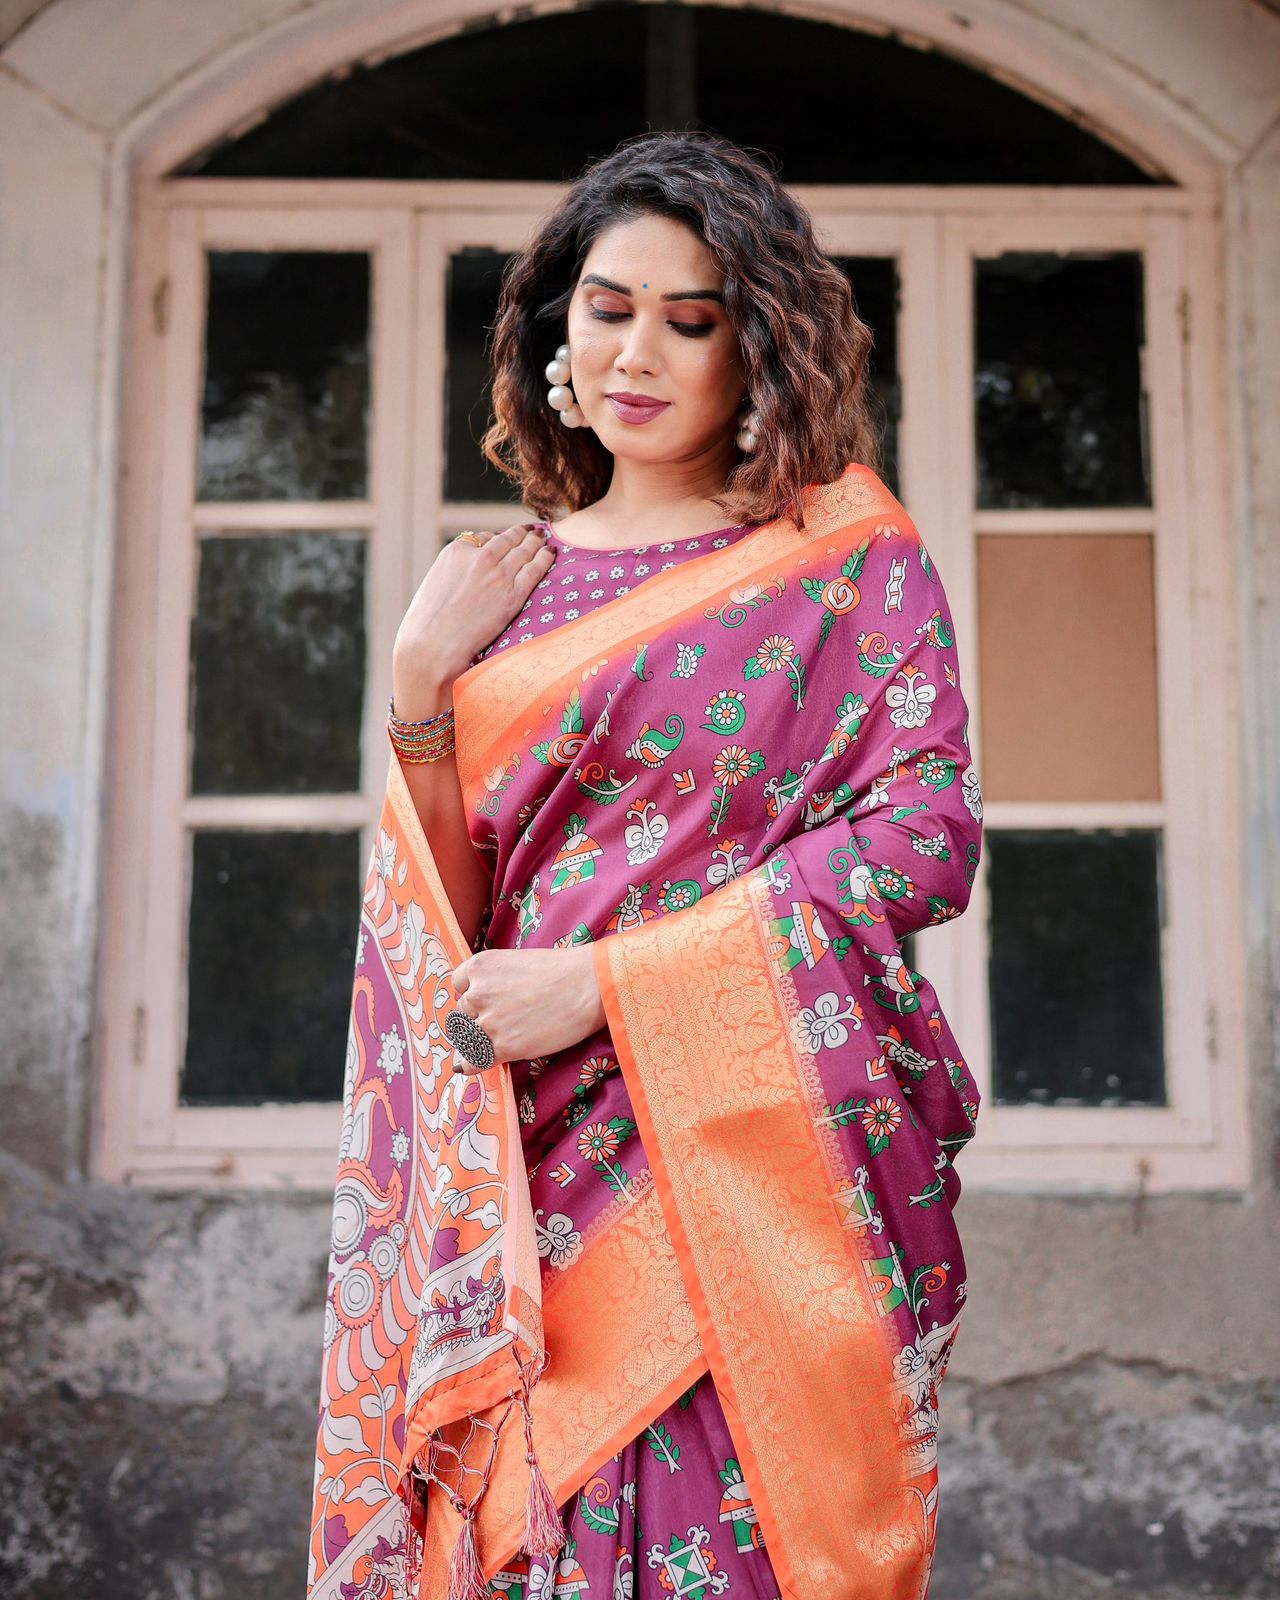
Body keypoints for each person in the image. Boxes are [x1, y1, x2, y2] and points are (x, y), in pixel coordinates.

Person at [308, 130, 984, 1600]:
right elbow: (448, 926)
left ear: (760, 350)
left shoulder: (844, 559)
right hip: (526, 1174)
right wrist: (419, 685)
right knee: (525, 1528)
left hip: (753, 1153)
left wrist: (613, 983)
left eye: (692, 320)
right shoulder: (502, 590)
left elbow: (924, 841)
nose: (638, 353)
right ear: (561, 325)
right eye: (609, 307)